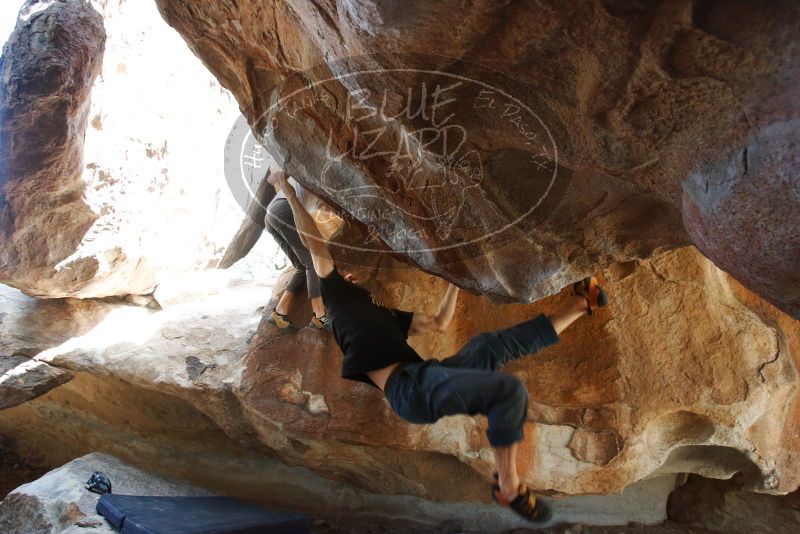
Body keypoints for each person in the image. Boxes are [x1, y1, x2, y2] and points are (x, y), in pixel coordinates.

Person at [275, 172, 608, 523]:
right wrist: (287, 192)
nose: (349, 277)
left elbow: (438, 322)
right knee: (507, 391)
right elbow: (314, 243)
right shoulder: (335, 295)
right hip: (410, 390)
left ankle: (581, 304)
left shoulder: (381, 313)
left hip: (426, 375)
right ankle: (508, 485)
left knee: (490, 347)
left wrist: (456, 280)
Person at [264, 170, 331, 332]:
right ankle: (320, 315)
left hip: (271, 213)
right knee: (311, 261)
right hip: (283, 209)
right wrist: (279, 176)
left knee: (302, 266)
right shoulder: (312, 170)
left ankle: (279, 313)